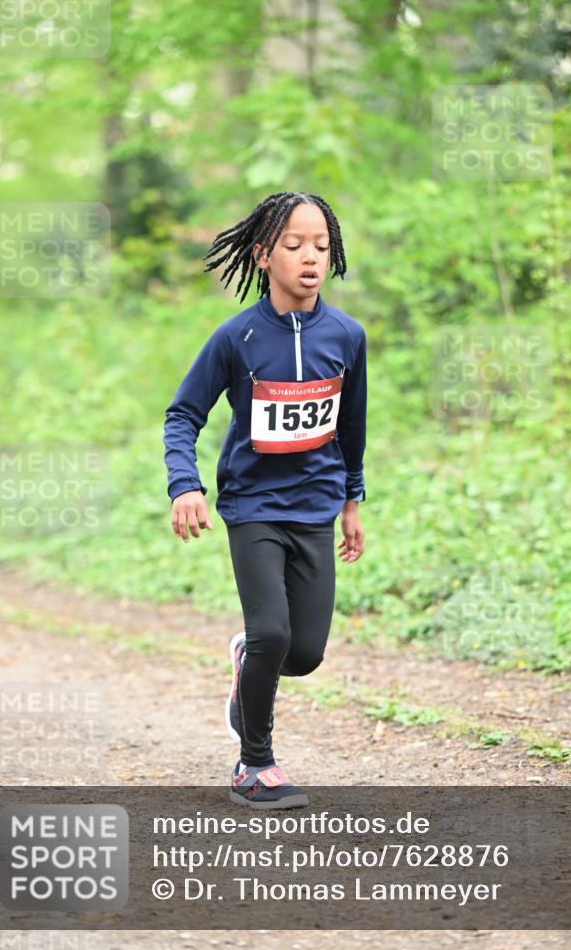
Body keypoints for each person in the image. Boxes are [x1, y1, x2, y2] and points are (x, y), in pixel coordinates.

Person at [163, 191, 367, 808]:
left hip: (317, 507)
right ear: (262, 254)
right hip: (252, 507)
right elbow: (183, 415)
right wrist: (186, 484)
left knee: (302, 654)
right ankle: (254, 765)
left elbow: (351, 424)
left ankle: (247, 661)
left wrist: (353, 500)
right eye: (294, 245)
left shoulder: (348, 336)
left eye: (322, 246)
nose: (311, 258)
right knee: (271, 631)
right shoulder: (237, 338)